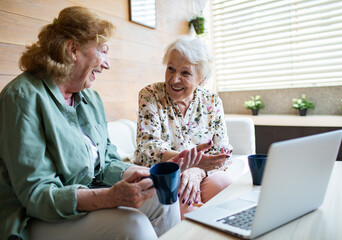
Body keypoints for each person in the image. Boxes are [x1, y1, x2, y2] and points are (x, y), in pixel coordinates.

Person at [0, 7, 205, 240]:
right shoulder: (22, 98)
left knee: (163, 197)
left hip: (87, 194)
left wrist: (144, 174)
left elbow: (106, 159)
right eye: (102, 51)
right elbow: (37, 196)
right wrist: (110, 197)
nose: (107, 64)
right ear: (72, 49)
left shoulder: (90, 98)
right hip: (34, 216)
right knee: (134, 226)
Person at [134, 36, 234, 218]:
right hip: (166, 175)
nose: (174, 79)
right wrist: (189, 163)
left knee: (225, 185)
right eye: (170, 69)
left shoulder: (211, 101)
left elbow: (222, 153)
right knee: (184, 201)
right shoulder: (150, 95)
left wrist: (198, 169)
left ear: (201, 80)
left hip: (201, 174)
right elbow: (147, 149)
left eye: (185, 73)